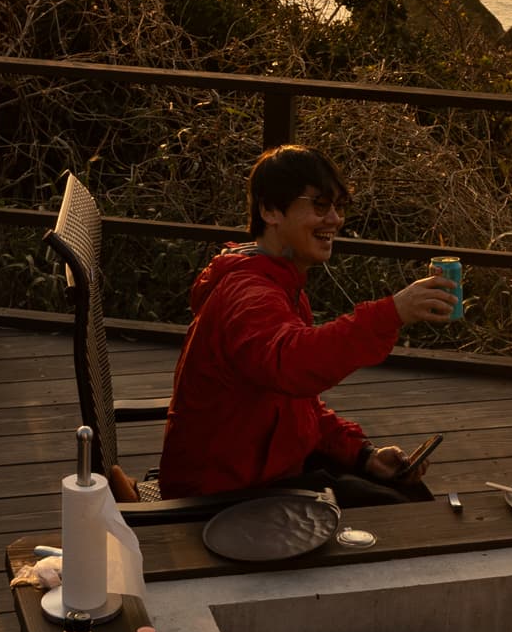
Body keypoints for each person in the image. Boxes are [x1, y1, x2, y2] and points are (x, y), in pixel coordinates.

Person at [156, 144, 455, 506]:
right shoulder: (249, 293)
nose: (334, 219)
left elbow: (297, 403)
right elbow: (291, 364)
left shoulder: (278, 281)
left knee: (402, 489)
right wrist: (392, 312)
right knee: (402, 509)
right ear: (269, 210)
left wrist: (362, 454)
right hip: (226, 495)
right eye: (319, 204)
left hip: (263, 467)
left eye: (338, 206)